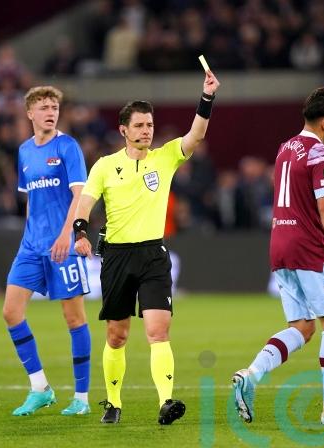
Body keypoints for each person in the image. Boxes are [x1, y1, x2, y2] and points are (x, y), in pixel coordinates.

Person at [73, 70, 221, 425]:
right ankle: (112, 402)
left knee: (159, 330)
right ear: (123, 130)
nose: (146, 131)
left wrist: (207, 97)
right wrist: (80, 232)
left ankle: (166, 402)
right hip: (117, 256)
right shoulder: (106, 166)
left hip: (153, 255)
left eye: (150, 125)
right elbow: (85, 202)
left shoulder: (166, 156)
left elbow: (196, 134)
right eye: (139, 125)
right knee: (117, 334)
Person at [231, 87, 324, 425]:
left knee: (303, 327)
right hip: (310, 248)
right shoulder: (321, 154)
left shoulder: (286, 148)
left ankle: (250, 375)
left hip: (280, 244)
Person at [2, 86, 92, 416]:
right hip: (31, 246)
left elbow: (80, 195)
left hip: (62, 245)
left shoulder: (67, 147)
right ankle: (40, 388)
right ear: (30, 114)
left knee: (74, 318)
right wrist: (29, 235)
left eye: (54, 107)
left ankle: (81, 398)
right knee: (11, 312)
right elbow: (31, 200)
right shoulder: (25, 151)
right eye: (43, 107)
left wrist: (68, 234)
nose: (50, 112)